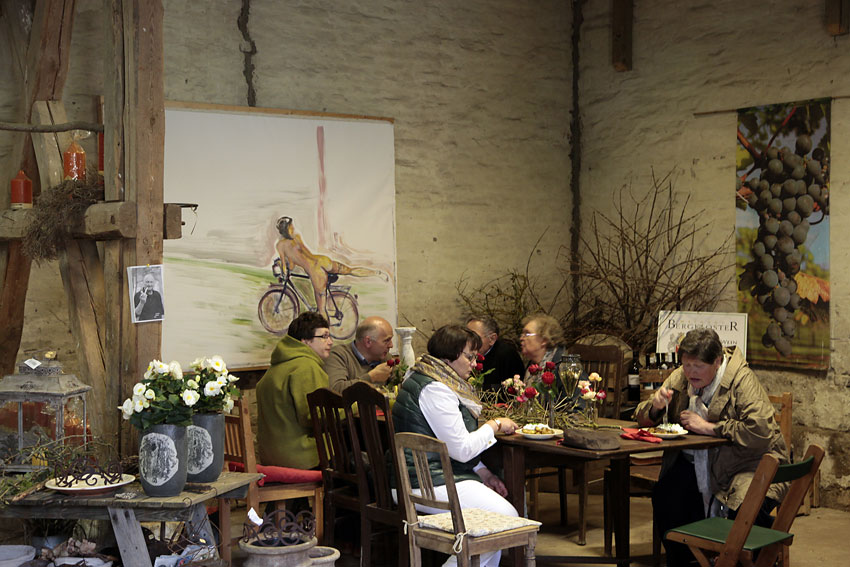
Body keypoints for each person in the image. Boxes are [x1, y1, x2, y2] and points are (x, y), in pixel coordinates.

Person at [634, 328, 789, 567]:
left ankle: (741, 558)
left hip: (747, 463)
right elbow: (641, 417)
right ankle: (688, 560)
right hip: (699, 461)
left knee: (744, 508)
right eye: (686, 365)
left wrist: (710, 427)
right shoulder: (680, 377)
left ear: (717, 361)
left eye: (698, 366)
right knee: (666, 495)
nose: (691, 372)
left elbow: (760, 430)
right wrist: (655, 407)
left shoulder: (741, 379)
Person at [392, 325, 519, 567]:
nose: (474, 364)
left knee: (492, 525)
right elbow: (461, 449)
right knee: (504, 519)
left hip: (428, 475)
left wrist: (483, 471)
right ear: (449, 356)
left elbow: (448, 441)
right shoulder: (436, 389)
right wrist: (494, 424)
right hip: (424, 482)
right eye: (469, 357)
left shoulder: (427, 376)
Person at [256, 312, 333, 469]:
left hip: (270, 458)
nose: (330, 342)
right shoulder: (306, 366)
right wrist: (353, 406)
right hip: (302, 457)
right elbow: (313, 416)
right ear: (305, 341)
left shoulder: (274, 369)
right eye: (324, 336)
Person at [274, 216, 386, 318]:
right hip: (322, 260)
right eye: (291, 227)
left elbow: (289, 266)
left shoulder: (280, 245)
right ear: (287, 229)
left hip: (315, 271)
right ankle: (377, 273)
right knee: (349, 270)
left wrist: (283, 265)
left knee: (322, 310)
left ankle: (328, 333)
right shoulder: (297, 238)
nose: (293, 228)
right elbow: (307, 254)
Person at [325, 316, 395, 393]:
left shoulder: (384, 357)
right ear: (368, 342)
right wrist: (371, 377)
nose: (391, 345)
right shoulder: (339, 355)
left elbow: (398, 385)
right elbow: (336, 389)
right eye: (387, 340)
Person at [466, 315, 525, 391]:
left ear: (492, 339)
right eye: (466, 336)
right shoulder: (463, 353)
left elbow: (510, 389)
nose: (467, 341)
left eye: (474, 337)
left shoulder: (507, 355)